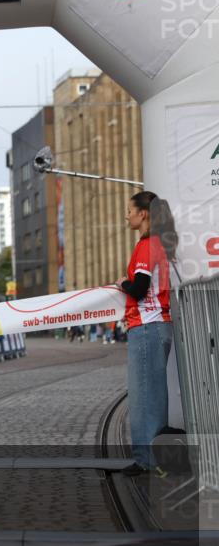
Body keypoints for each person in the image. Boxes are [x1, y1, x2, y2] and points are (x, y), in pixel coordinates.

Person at [116, 191, 177, 478]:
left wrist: (122, 284)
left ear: (143, 214)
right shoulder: (159, 244)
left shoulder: (146, 245)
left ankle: (146, 460)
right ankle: (155, 458)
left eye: (130, 210)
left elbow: (139, 287)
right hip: (159, 325)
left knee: (143, 398)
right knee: (154, 396)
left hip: (147, 326)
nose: (126, 215)